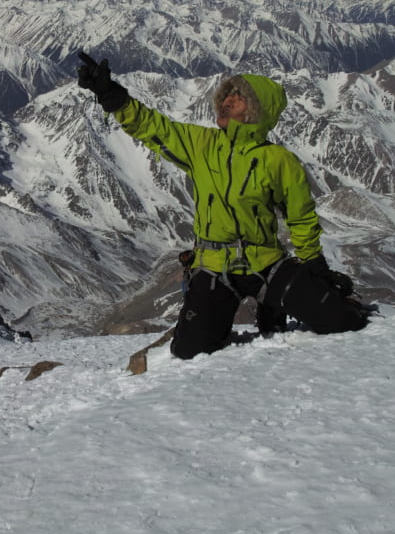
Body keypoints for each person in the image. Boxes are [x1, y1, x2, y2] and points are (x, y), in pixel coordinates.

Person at [76, 52, 367, 359]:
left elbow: (301, 217)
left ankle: (277, 304)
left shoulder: (279, 161)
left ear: (256, 111)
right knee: (189, 349)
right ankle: (258, 308)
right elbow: (153, 127)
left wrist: (313, 267)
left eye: (239, 98)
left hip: (266, 260)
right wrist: (109, 94)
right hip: (214, 265)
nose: (227, 101)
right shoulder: (202, 145)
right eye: (227, 95)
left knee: (341, 320)